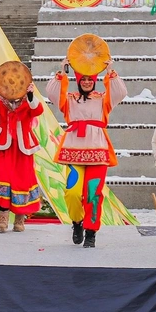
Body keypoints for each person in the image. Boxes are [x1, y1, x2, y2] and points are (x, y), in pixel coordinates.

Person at [46, 58, 127, 248]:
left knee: (93, 194)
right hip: (74, 153)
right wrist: (63, 71)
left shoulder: (102, 99)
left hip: (97, 153)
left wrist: (110, 72)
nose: (87, 82)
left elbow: (121, 92)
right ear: (79, 81)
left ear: (94, 81)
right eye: (83, 80)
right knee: (72, 193)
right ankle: (77, 222)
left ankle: (91, 231)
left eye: (90, 80)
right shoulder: (70, 99)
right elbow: (52, 93)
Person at [0, 79, 43, 233]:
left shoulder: (28, 101)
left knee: (22, 179)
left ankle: (19, 218)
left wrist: (30, 96)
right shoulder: (1, 101)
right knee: (3, 178)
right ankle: (2, 218)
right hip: (4, 145)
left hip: (22, 147)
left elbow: (38, 110)